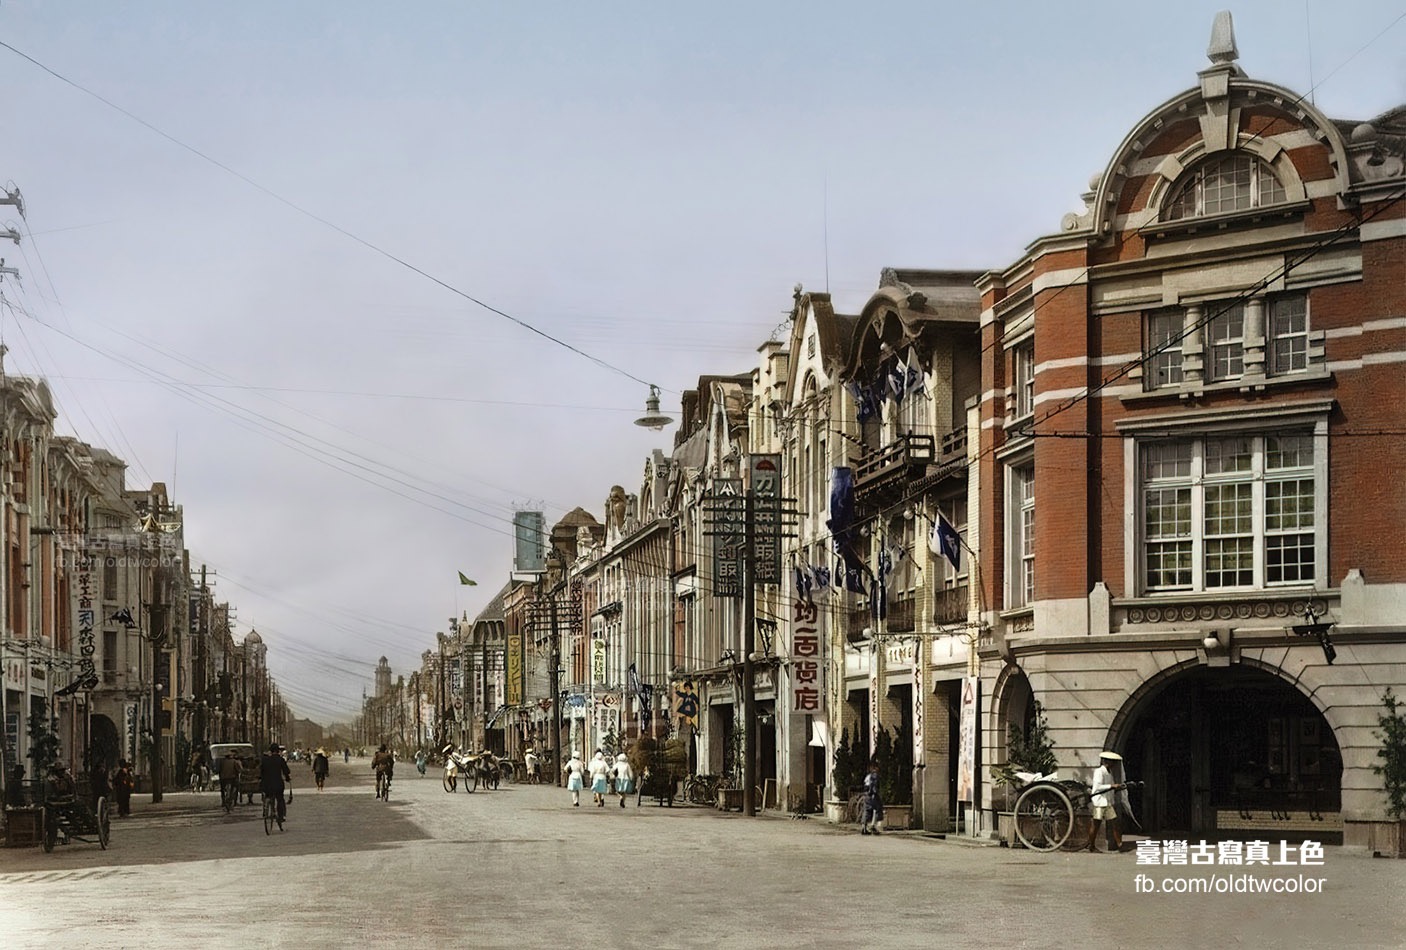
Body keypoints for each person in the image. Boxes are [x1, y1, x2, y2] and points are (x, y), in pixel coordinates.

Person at [1088, 750, 1126, 853]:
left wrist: (1117, 787)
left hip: (1107, 802)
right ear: (1106, 762)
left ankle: (1120, 845)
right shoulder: (1099, 772)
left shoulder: (1109, 773)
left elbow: (1111, 786)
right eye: (1111, 761)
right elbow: (1098, 786)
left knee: (1115, 822)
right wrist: (1112, 786)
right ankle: (1091, 846)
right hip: (1100, 802)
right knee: (1096, 825)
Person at [259, 743, 292, 827]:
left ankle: (268, 810)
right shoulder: (280, 760)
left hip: (267, 785)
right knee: (280, 799)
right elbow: (286, 771)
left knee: (268, 796)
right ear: (278, 751)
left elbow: (261, 771)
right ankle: (281, 816)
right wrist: (287, 778)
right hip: (278, 784)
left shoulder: (265, 760)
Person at [860, 759, 884, 835]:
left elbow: (865, 785)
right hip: (872, 794)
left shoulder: (867, 776)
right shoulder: (874, 775)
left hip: (866, 794)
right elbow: (874, 785)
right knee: (877, 810)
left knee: (867, 810)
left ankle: (864, 827)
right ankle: (873, 826)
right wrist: (874, 793)